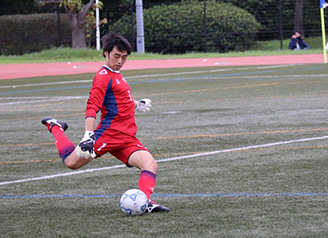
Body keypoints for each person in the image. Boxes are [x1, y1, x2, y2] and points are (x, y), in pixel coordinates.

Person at [41, 31, 169, 213]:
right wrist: (89, 135)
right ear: (106, 53)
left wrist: (136, 105)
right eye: (116, 56)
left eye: (124, 57)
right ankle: (55, 126)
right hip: (109, 134)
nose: (120, 61)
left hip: (126, 137)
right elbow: (92, 106)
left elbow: (119, 101)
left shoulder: (117, 75)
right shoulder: (103, 76)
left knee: (150, 165)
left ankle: (145, 202)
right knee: (71, 163)